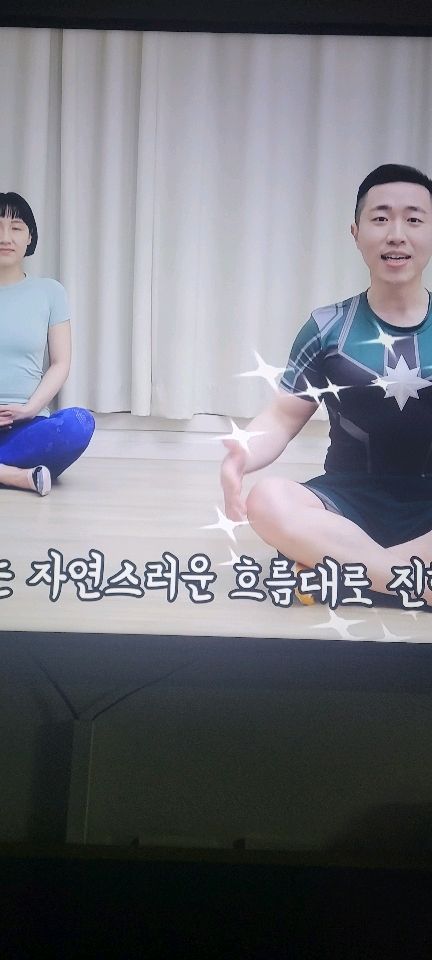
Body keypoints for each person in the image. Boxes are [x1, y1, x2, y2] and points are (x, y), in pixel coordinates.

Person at [221, 164, 432, 605]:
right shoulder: (327, 327)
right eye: (380, 218)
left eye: (414, 219)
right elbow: (283, 416)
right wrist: (241, 456)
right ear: (356, 233)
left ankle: (343, 572)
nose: (396, 235)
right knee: (268, 500)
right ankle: (410, 581)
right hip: (347, 503)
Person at [0, 192, 95, 496]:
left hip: (28, 426)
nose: (5, 237)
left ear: (29, 237)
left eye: (16, 227)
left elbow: (60, 363)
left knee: (79, 422)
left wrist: (28, 409)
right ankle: (16, 476)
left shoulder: (50, 292)